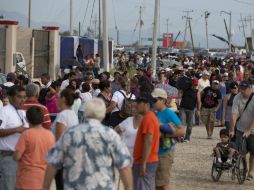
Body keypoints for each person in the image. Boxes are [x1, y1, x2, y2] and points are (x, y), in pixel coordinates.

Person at [43, 98, 133, 190]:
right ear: (102, 114)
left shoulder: (70, 133)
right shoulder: (111, 135)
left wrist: (45, 187)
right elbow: (124, 166)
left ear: (85, 112)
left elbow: (53, 162)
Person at [151, 88, 185, 190]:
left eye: (155, 100)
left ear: (163, 100)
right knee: (157, 184)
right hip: (155, 153)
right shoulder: (154, 113)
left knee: (163, 184)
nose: (152, 103)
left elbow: (182, 130)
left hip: (165, 153)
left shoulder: (168, 113)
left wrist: (164, 135)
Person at [13, 106, 55, 190]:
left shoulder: (26, 134)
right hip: (44, 178)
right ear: (43, 119)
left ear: (27, 119)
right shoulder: (50, 135)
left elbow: (17, 156)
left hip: (27, 179)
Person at [0, 85, 29, 190]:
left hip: (23, 158)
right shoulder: (4, 111)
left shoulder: (23, 112)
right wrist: (17, 130)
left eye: (24, 97)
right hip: (9, 157)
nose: (23, 100)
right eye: (19, 97)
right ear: (10, 97)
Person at [52, 88, 79, 190]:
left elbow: (59, 139)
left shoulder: (62, 116)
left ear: (63, 99)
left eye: (58, 97)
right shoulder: (72, 114)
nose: (57, 100)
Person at [133, 94, 160, 190]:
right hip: (148, 160)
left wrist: (143, 163)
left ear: (147, 104)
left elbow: (148, 141)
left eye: (139, 102)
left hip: (146, 160)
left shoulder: (148, 118)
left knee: (143, 187)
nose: (136, 105)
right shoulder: (150, 117)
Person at [230, 80, 254, 180]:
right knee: (240, 151)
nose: (242, 91)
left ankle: (251, 171)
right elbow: (234, 114)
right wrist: (232, 129)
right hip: (240, 128)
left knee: (253, 151)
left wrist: (249, 130)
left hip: (252, 130)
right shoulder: (237, 97)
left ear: (250, 89)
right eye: (241, 89)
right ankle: (243, 168)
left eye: (244, 89)